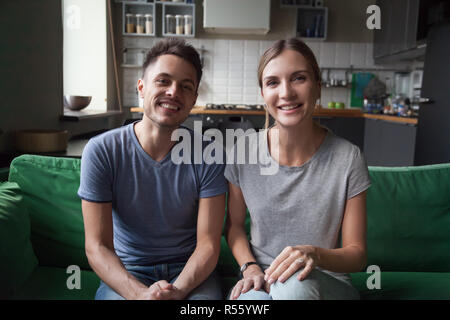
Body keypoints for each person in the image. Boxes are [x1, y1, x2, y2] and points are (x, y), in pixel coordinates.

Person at [78, 38, 228, 300]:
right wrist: (139, 295)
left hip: (190, 271)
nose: (173, 92)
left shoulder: (209, 154)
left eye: (185, 86)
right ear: (142, 88)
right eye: (163, 81)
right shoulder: (101, 150)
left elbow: (208, 245)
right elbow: (97, 246)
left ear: (193, 99)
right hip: (128, 271)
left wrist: (177, 291)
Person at [224, 38, 371, 300]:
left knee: (296, 289)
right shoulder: (243, 151)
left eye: (298, 78)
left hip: (323, 280)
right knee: (248, 301)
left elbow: (357, 254)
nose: (286, 93)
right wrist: (250, 267)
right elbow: (234, 227)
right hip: (262, 278)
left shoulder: (348, 158)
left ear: (318, 87)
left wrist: (314, 254)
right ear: (263, 94)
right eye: (272, 82)